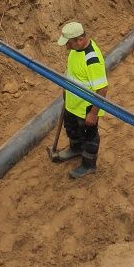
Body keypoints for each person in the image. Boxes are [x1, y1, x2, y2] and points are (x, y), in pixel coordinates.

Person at [53, 21, 108, 179]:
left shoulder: (92, 60)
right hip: (72, 103)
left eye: (68, 43)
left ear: (80, 40)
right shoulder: (75, 50)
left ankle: (88, 165)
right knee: (71, 129)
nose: (66, 47)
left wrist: (93, 113)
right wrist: (65, 89)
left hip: (86, 108)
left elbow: (102, 89)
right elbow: (71, 70)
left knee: (88, 136)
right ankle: (75, 149)